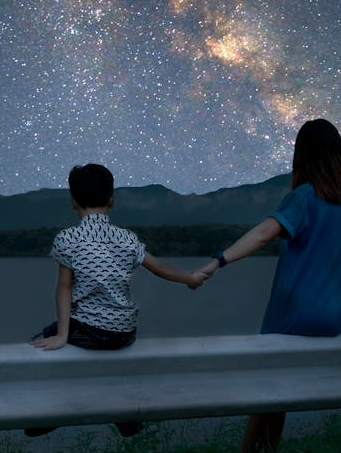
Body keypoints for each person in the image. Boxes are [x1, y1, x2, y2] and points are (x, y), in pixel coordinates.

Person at [196, 118, 341, 453]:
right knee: (277, 384)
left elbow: (263, 233)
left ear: (302, 156)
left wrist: (218, 260)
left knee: (267, 382)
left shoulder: (305, 197)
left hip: (300, 313)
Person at [28, 163, 207, 436]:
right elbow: (160, 267)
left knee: (43, 339)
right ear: (112, 200)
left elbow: (64, 288)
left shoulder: (68, 238)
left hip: (89, 331)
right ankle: (126, 419)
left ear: (73, 202)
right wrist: (189, 278)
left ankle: (52, 410)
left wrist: (62, 334)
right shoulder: (127, 239)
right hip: (124, 333)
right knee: (101, 353)